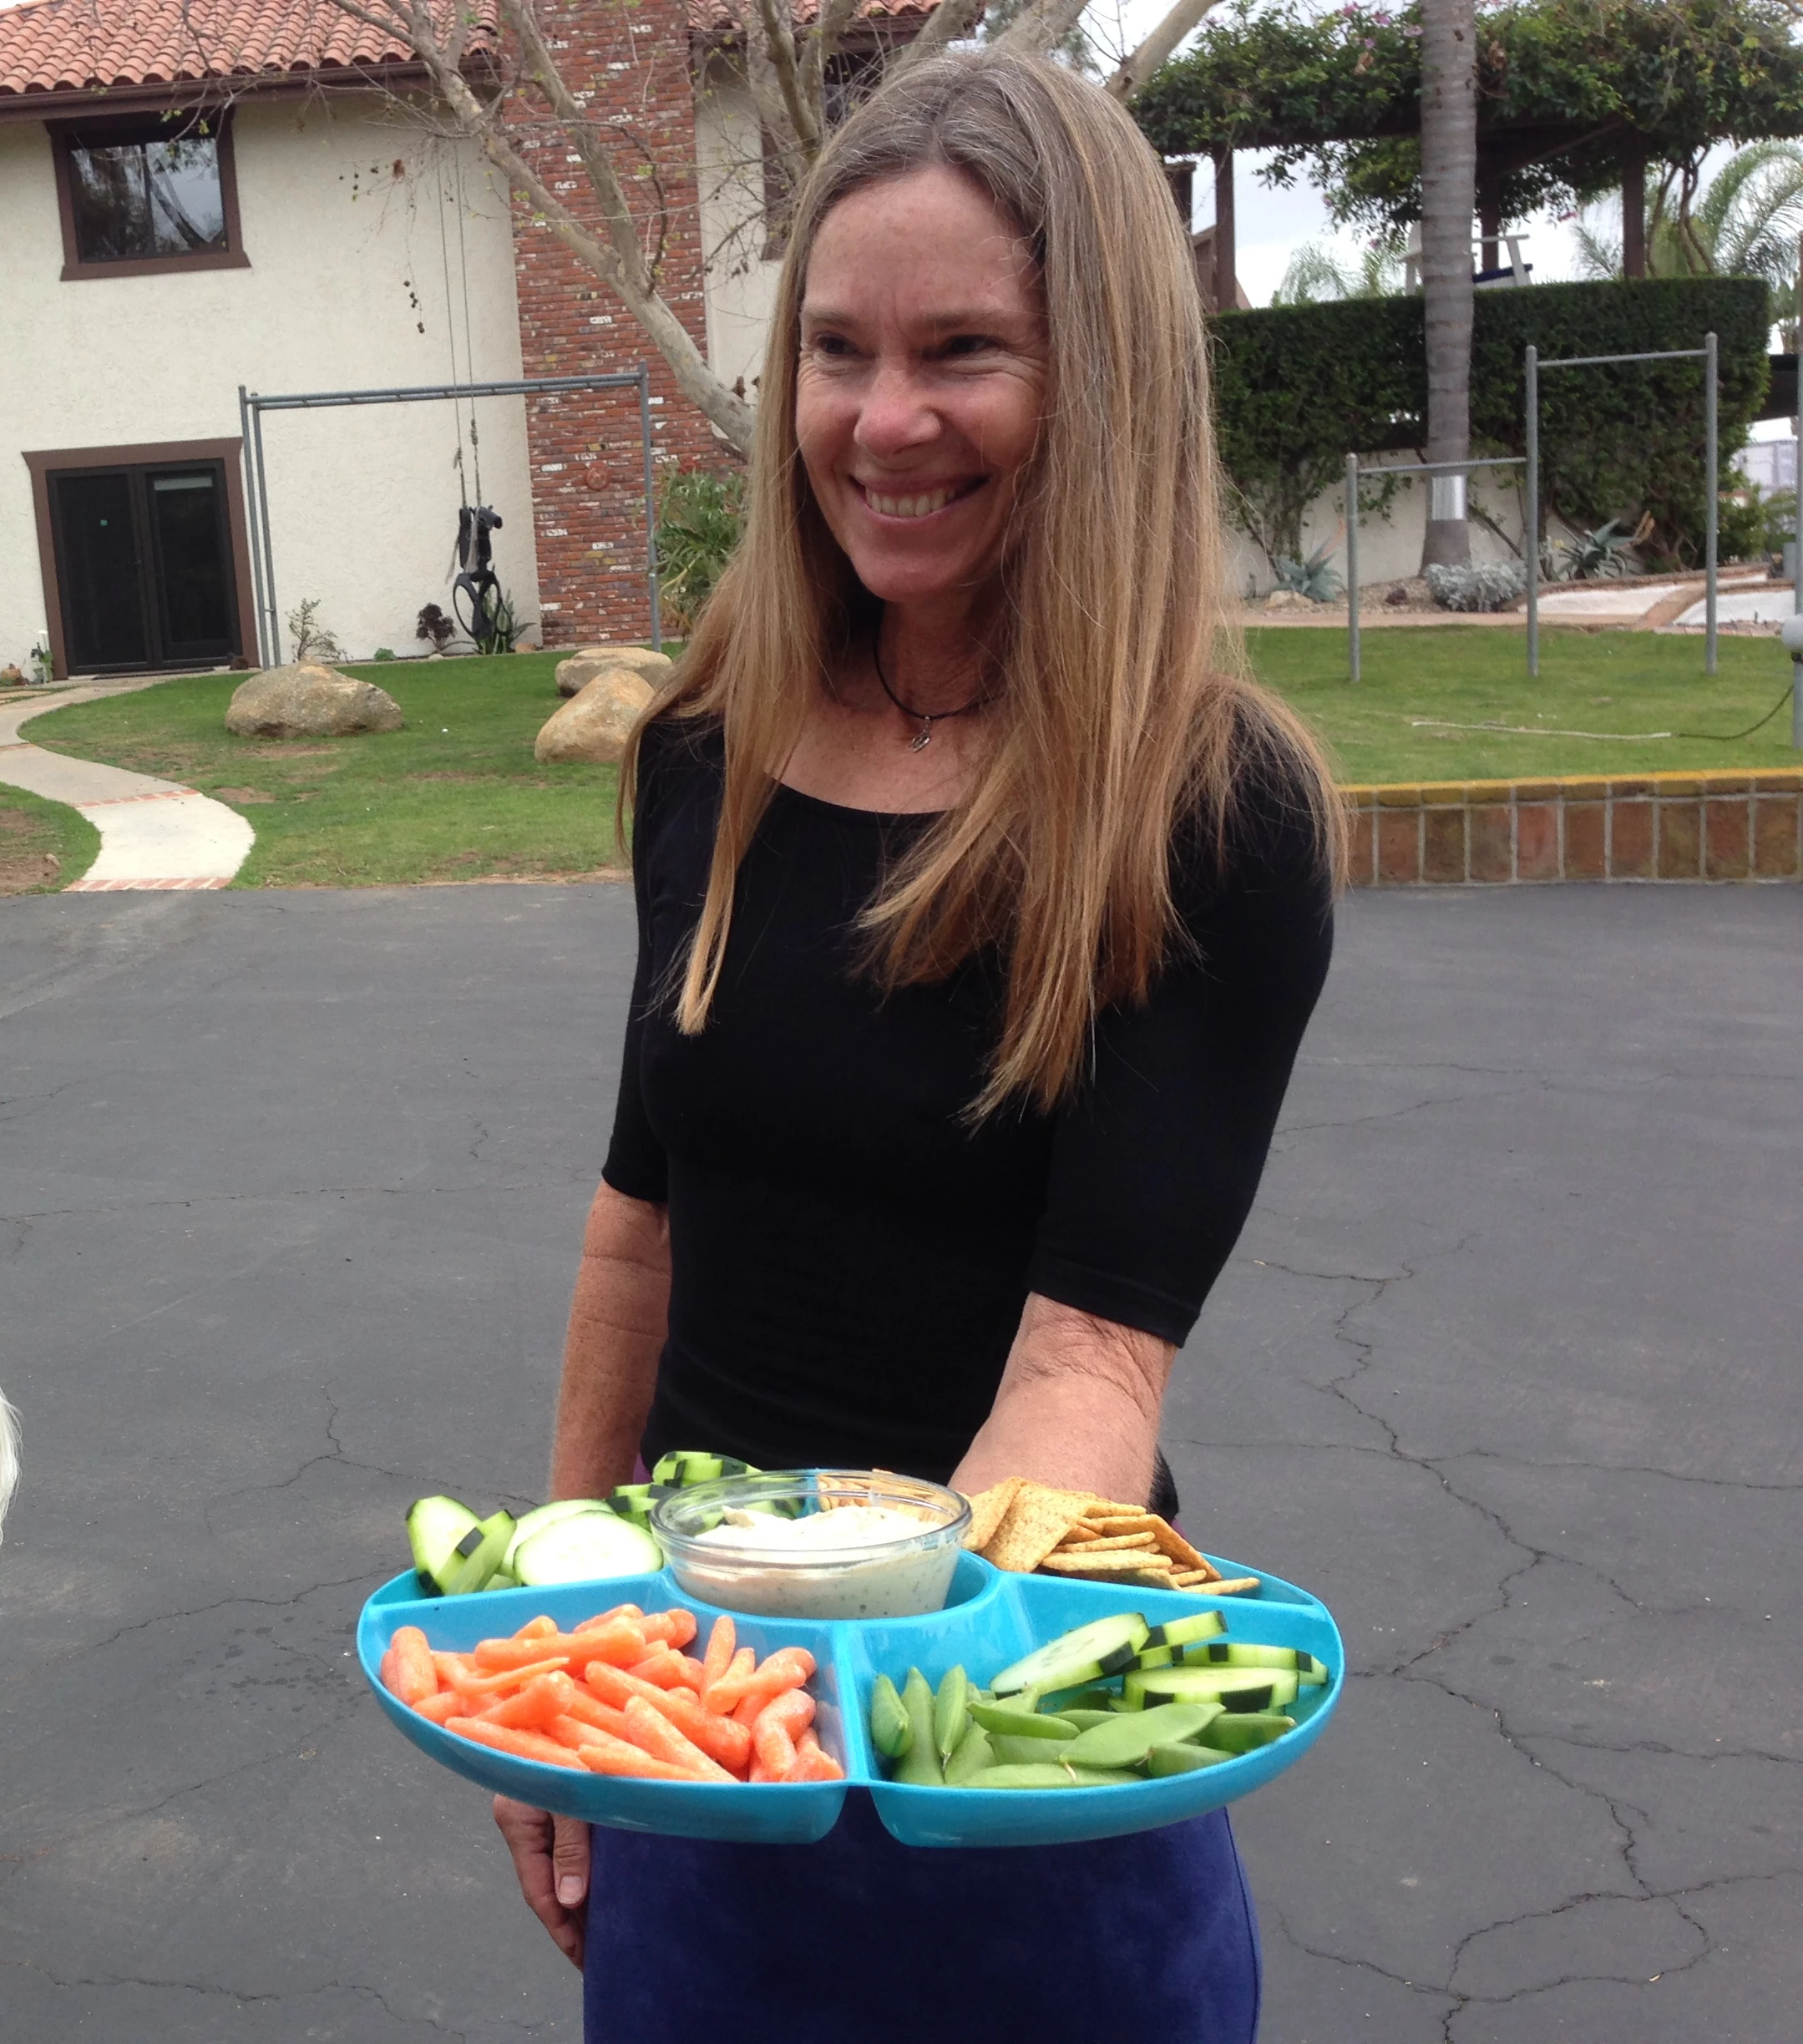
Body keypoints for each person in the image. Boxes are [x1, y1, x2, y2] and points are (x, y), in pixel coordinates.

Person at [490, 49, 1339, 2038]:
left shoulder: (1206, 811)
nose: (884, 421)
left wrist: (824, 1714)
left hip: (1013, 1739)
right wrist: (562, 1647)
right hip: (704, 1735)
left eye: (965, 350)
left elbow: (1091, 1362)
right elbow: (640, 1227)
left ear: (1103, 383)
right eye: (838, 351)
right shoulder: (706, 749)